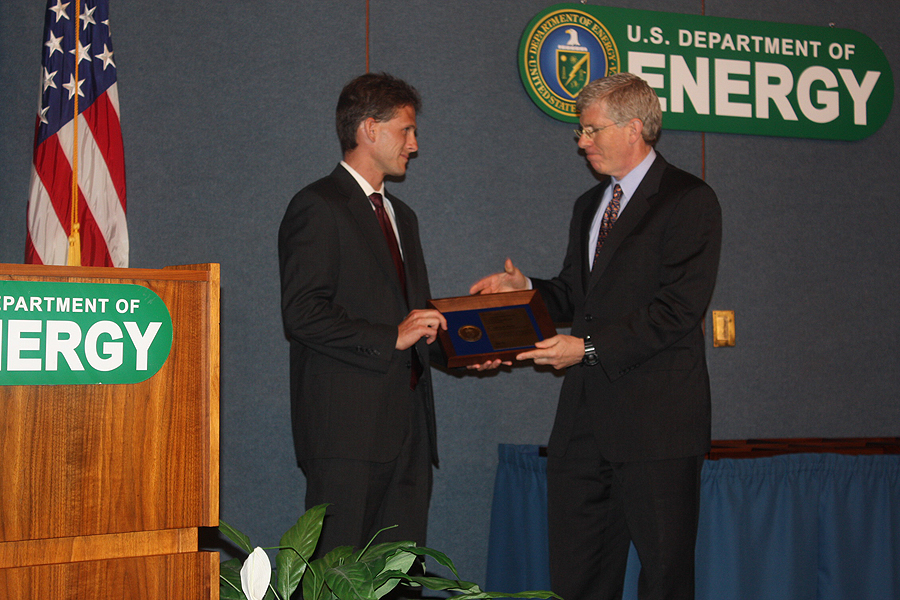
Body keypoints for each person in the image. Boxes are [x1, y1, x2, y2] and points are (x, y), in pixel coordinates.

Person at [470, 72, 722, 600]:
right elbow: (574, 296)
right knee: (577, 577)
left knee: (665, 579)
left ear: (634, 128)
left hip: (657, 426)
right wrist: (527, 290)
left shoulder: (689, 199)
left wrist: (585, 350)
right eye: (580, 131)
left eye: (591, 130)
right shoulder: (589, 205)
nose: (582, 142)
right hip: (584, 424)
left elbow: (676, 310)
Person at [278, 72, 448, 554]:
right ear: (369, 129)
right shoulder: (317, 205)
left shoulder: (403, 217)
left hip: (409, 434)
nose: (414, 145)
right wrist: (390, 336)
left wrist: (463, 350)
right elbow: (302, 313)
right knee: (338, 573)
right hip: (346, 437)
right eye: (406, 130)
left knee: (401, 576)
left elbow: (412, 320)